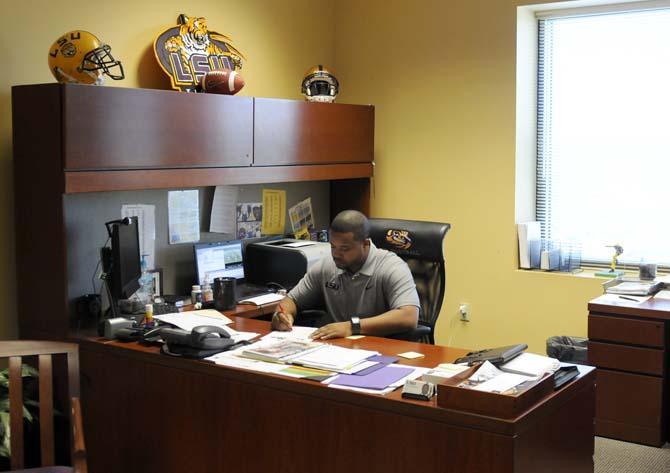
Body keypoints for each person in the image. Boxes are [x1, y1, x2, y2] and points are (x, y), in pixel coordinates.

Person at [271, 210, 419, 339]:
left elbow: (409, 316)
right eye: (333, 246)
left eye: (344, 248)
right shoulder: (327, 266)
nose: (336, 254)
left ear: (365, 244)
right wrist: (282, 316)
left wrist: (351, 327)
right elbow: (291, 301)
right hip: (338, 350)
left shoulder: (392, 267)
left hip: (380, 347)